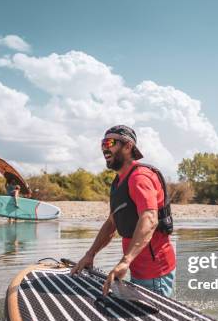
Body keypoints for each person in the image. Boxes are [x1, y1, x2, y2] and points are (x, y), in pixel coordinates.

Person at [71, 125, 176, 297]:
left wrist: (125, 261)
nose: (105, 147)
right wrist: (90, 254)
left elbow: (150, 219)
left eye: (110, 142)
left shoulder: (140, 178)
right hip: (137, 268)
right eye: (102, 143)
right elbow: (112, 223)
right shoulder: (119, 181)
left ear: (128, 146)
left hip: (154, 273)